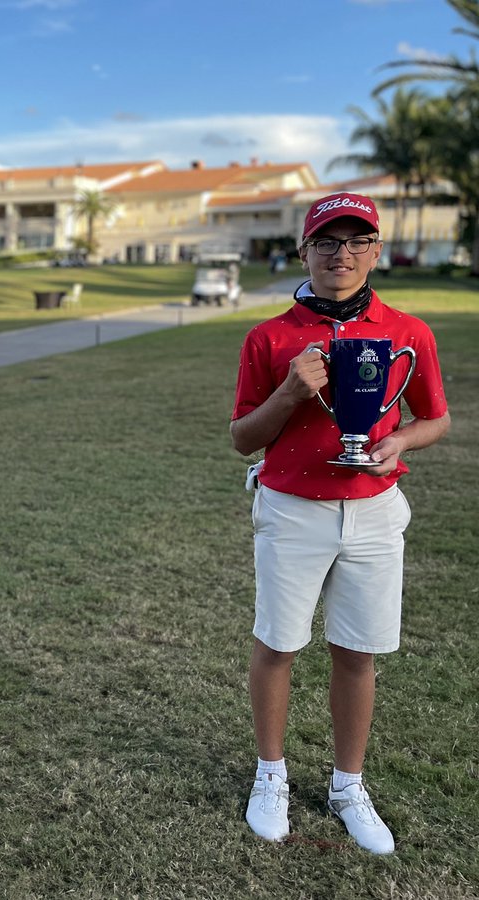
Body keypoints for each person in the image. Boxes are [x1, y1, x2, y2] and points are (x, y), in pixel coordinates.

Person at [230, 192, 450, 854]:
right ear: (305, 251)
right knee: (279, 644)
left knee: (358, 653)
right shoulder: (269, 336)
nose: (342, 255)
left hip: (376, 511)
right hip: (293, 508)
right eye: (328, 242)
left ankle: (347, 785)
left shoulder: (407, 331)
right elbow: (243, 437)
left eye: (358, 242)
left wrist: (400, 443)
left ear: (377, 251)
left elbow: (435, 417)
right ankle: (272, 776)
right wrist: (290, 392)